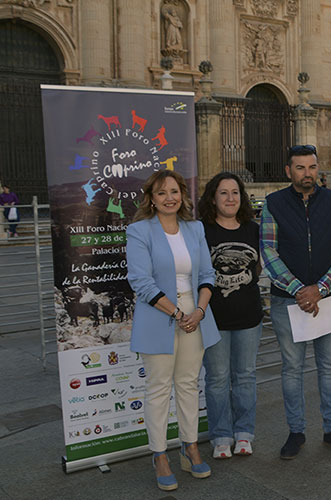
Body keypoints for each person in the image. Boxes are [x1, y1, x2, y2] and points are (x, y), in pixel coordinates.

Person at [260, 144, 331, 459]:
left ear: (319, 169)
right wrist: (300, 289)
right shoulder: (273, 203)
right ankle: (296, 432)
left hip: (328, 298)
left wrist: (322, 288)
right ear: (289, 171)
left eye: (312, 167)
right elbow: (269, 251)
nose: (307, 174)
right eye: (300, 168)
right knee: (292, 369)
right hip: (288, 301)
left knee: (329, 366)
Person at [126, 170, 220, 491]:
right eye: (162, 192)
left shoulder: (195, 229)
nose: (170, 197)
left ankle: (190, 446)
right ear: (151, 199)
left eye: (175, 191)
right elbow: (140, 281)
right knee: (158, 388)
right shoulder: (139, 231)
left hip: (196, 313)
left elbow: (208, 273)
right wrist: (178, 312)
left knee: (189, 385)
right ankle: (160, 455)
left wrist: (199, 310)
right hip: (159, 315)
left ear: (183, 195)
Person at [197, 173, 264, 459]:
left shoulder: (253, 229)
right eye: (223, 193)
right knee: (217, 379)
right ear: (213, 197)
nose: (230, 198)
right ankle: (221, 437)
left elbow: (261, 267)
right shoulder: (202, 230)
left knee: (245, 376)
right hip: (213, 319)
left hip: (249, 317)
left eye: (235, 192)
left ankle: (244, 433)